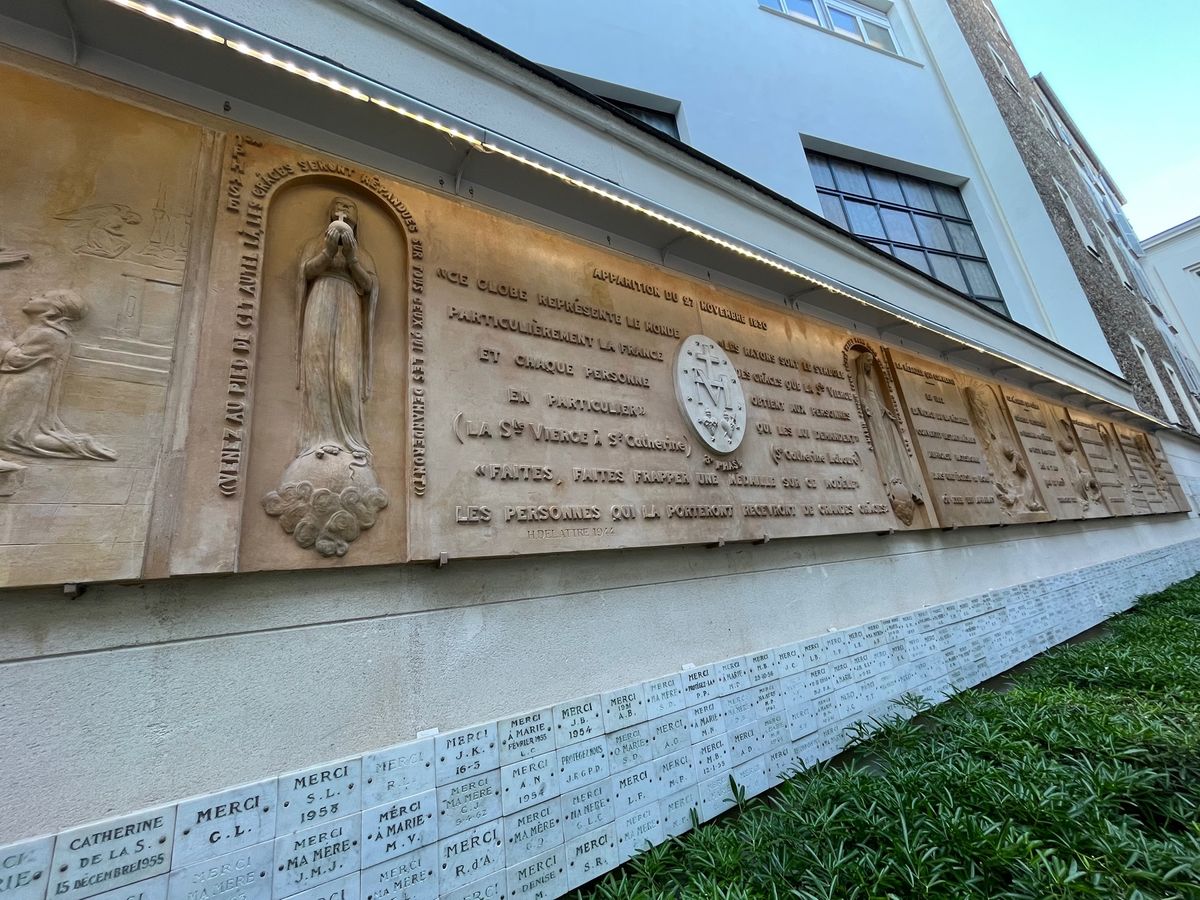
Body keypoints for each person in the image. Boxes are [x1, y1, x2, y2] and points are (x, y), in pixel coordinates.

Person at [294, 195, 380, 461]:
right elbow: (306, 272)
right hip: (320, 301)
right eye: (339, 206)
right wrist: (328, 252)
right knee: (318, 366)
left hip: (348, 307)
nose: (343, 210)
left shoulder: (363, 254)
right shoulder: (315, 244)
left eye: (349, 207)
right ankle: (319, 439)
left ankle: (350, 439)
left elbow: (368, 285)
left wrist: (352, 258)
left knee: (345, 373)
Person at [0, 289, 116, 460]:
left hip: (22, 388)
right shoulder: (41, 330)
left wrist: (3, 338)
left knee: (11, 437)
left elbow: (17, 359)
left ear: (53, 310)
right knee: (11, 436)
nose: (33, 296)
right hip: (17, 384)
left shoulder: (50, 334)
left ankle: (81, 445)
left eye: (43, 296)